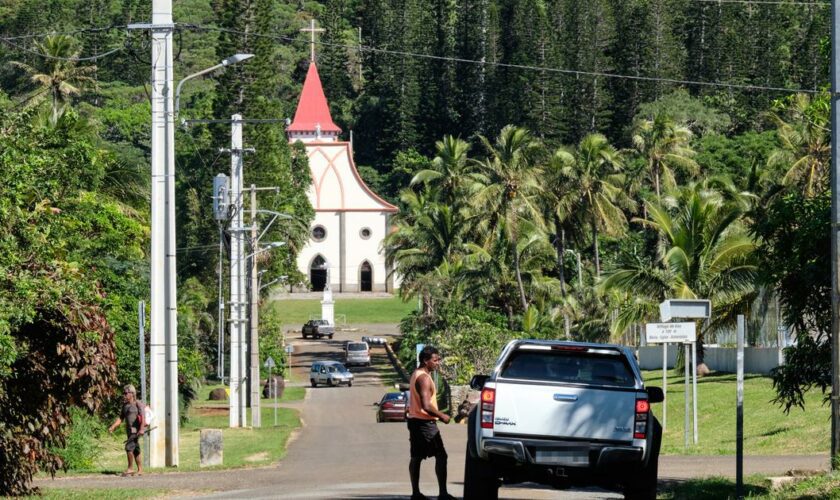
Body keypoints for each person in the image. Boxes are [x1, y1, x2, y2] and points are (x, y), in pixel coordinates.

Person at [407, 345, 454, 500]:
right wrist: (443, 416)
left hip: (415, 421)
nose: (438, 362)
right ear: (425, 361)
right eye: (435, 360)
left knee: (416, 457)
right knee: (441, 456)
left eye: (438, 359)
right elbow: (426, 406)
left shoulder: (416, 374)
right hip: (425, 423)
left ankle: (416, 493)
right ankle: (443, 493)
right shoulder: (424, 379)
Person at [108, 384, 146, 476]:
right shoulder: (125, 405)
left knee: (129, 447)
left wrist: (141, 429)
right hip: (129, 431)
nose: (124, 395)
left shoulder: (138, 404)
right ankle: (140, 470)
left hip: (135, 430)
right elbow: (121, 418)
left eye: (126, 393)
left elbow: (143, 417)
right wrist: (113, 426)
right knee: (136, 450)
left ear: (132, 394)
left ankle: (130, 469)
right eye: (124, 393)